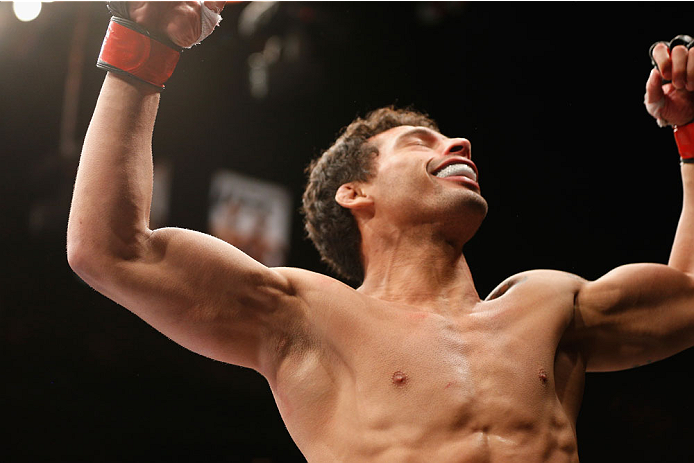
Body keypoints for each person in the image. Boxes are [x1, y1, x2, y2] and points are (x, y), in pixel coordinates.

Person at [67, 2, 694, 461]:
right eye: (421, 141)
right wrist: (145, 42)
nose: (460, 143)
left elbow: (688, 295)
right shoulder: (306, 318)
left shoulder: (549, 307)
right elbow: (111, 249)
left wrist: (691, 136)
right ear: (355, 193)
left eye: (451, 137)